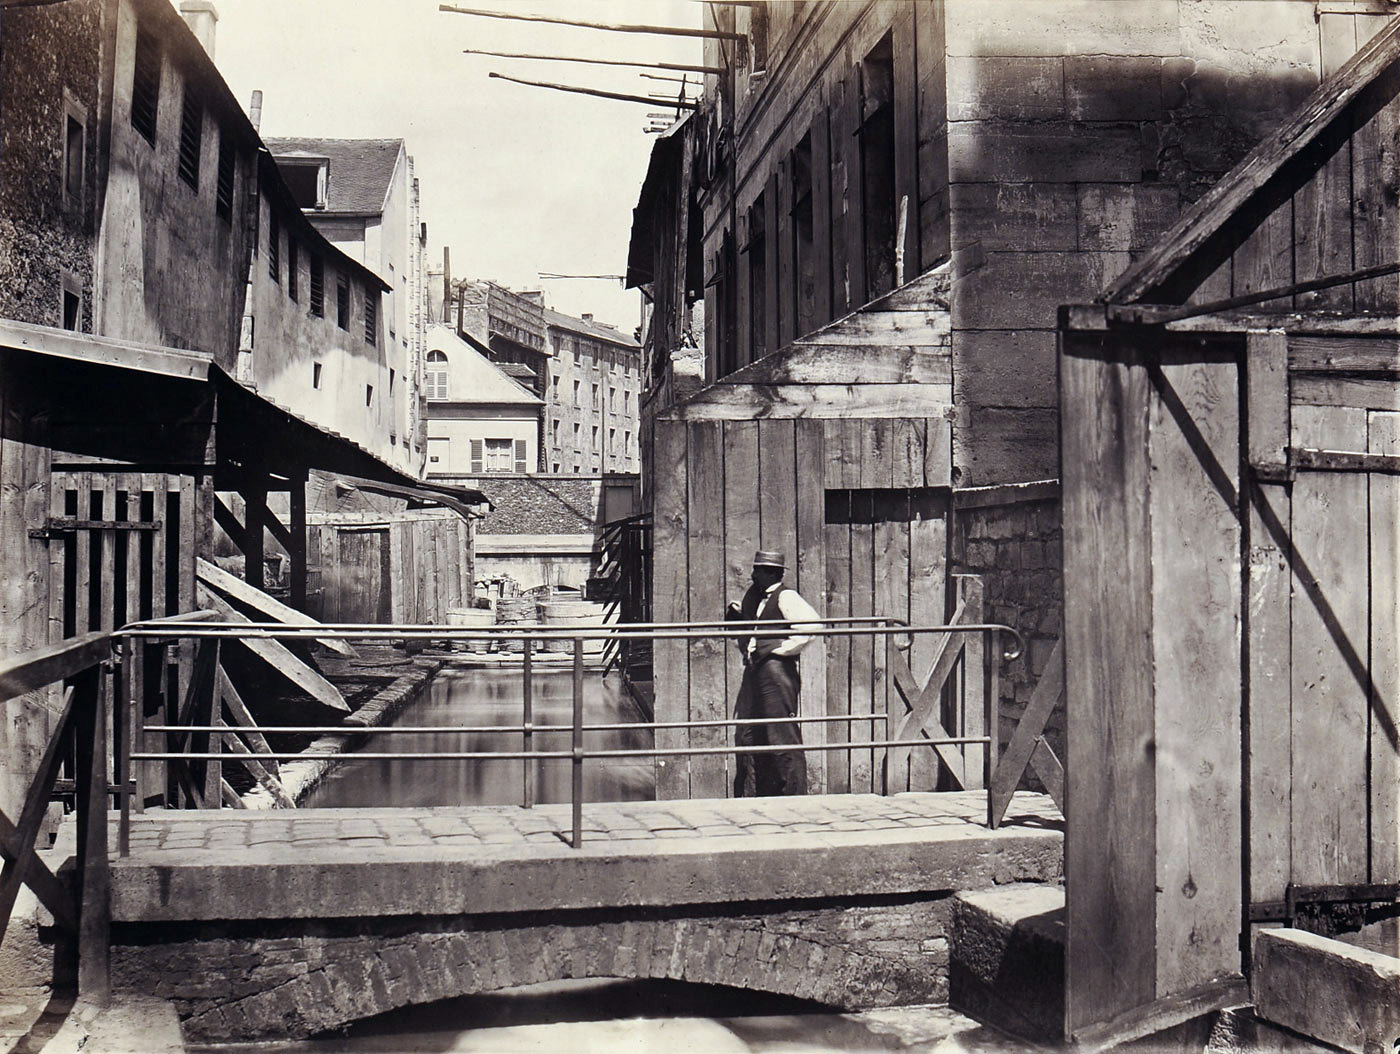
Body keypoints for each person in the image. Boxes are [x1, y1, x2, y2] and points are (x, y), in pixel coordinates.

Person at [726, 550, 821, 797]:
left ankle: (794, 795)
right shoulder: (756, 597)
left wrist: (782, 648)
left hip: (777, 670)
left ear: (770, 573)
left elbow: (813, 625)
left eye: (757, 570)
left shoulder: (786, 596)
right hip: (757, 669)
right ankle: (762, 793)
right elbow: (757, 623)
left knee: (782, 733)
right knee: (754, 733)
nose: (752, 574)